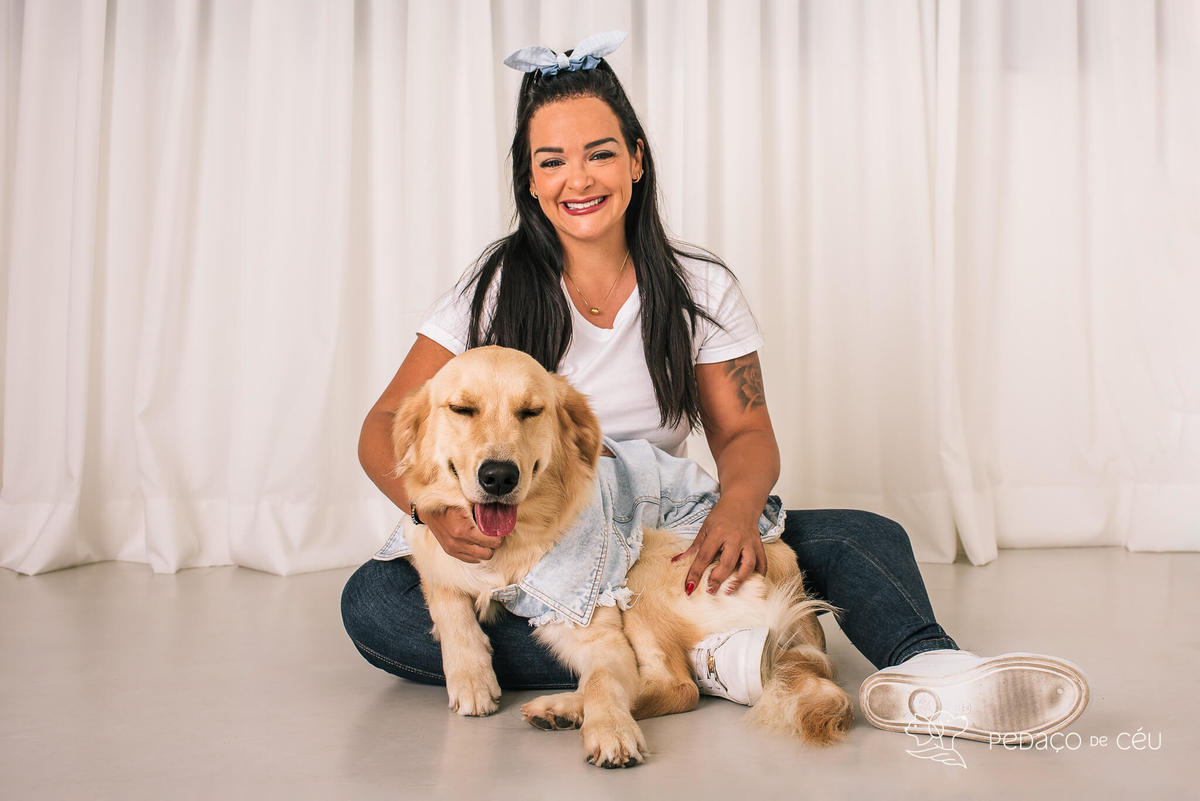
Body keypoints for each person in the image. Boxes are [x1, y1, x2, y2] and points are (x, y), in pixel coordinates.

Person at [341, 31, 1088, 742]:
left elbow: (744, 433)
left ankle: (936, 671)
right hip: (535, 542)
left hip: (659, 524)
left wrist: (733, 513)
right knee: (374, 604)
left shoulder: (698, 287)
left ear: (636, 160)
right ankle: (709, 655)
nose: (578, 179)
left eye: (600, 154)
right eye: (552, 162)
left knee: (864, 537)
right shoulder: (494, 287)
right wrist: (425, 510)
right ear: (530, 181)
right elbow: (386, 421)